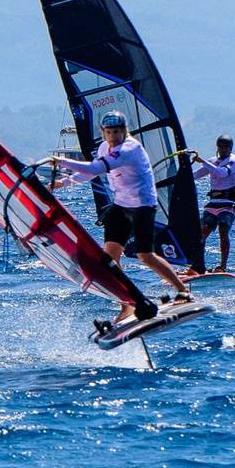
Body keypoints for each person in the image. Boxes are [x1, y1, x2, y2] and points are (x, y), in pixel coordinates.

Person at [53, 110, 190, 323]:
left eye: (117, 131)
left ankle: (183, 290)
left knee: (146, 256)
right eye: (108, 132)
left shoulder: (130, 148)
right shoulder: (104, 147)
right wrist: (64, 182)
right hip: (120, 206)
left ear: (124, 130)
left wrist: (61, 162)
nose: (113, 136)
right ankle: (127, 304)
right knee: (109, 260)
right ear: (103, 132)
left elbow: (97, 166)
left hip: (143, 206)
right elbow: (91, 172)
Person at [191, 136, 235, 272]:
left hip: (228, 204)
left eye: (226, 147)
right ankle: (197, 265)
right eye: (221, 147)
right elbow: (194, 175)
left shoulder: (234, 161)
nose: (223, 149)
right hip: (213, 204)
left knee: (223, 231)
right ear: (217, 147)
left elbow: (221, 173)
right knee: (201, 234)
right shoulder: (212, 161)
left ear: (230, 148)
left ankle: (223, 266)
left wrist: (202, 161)